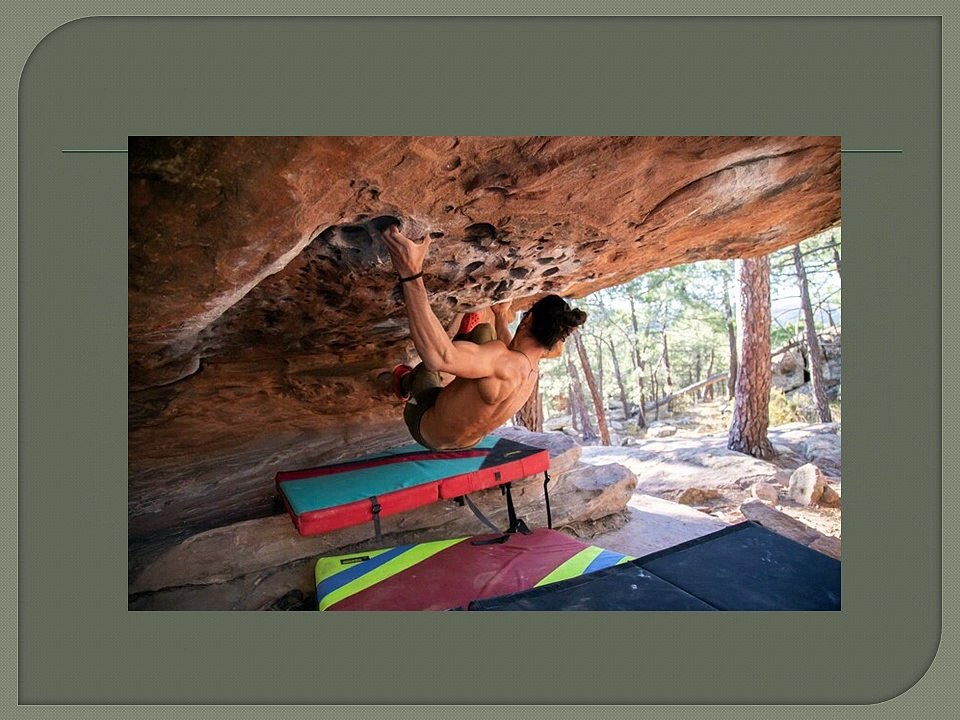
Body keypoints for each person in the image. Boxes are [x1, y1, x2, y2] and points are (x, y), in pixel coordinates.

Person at [379, 224, 587, 451]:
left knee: (425, 372)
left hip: (425, 427)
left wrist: (411, 273)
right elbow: (510, 354)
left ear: (527, 320)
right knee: (485, 334)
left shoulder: (499, 359)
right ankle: (465, 343)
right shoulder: (530, 371)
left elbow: (438, 357)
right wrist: (499, 315)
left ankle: (403, 384)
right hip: (467, 442)